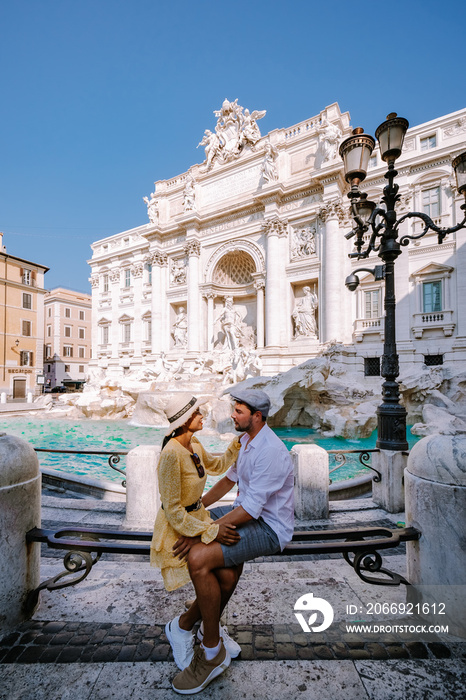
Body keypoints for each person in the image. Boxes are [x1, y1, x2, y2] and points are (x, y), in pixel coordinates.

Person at [164, 388, 294, 694]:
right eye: (233, 409)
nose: (231, 415)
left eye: (238, 411)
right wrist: (197, 511)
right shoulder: (247, 441)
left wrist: (202, 531)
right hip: (245, 513)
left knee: (198, 558)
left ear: (257, 416)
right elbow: (227, 480)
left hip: (268, 527)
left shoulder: (271, 451)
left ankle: (209, 649)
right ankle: (204, 625)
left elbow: (251, 510)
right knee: (227, 570)